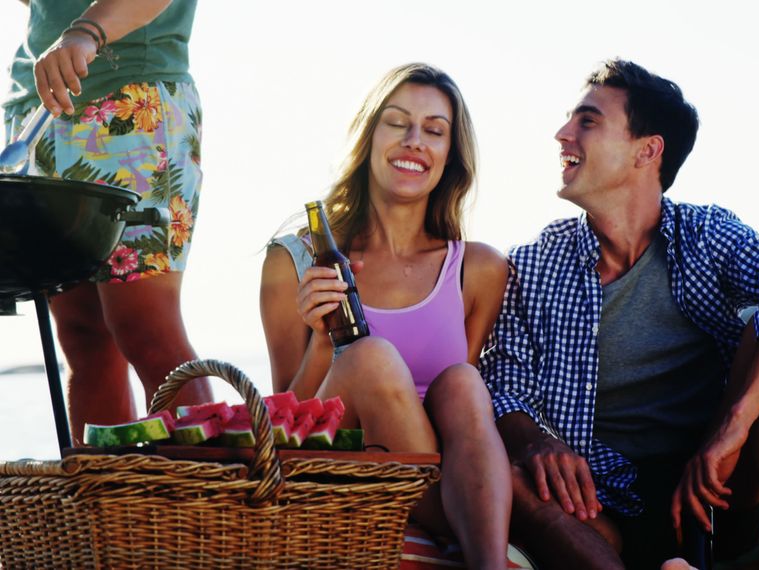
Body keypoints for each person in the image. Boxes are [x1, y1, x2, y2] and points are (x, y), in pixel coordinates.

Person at [480, 58, 759, 570]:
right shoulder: (535, 265)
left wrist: (730, 430)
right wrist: (537, 442)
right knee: (507, 476)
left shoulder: (705, 236)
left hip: (716, 486)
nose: (562, 134)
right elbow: (503, 381)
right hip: (599, 497)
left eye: (587, 121)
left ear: (647, 151)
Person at [259, 63, 512, 570]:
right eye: (397, 122)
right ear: (370, 136)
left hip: (438, 473)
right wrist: (326, 342)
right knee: (370, 358)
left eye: (434, 130)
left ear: (449, 156)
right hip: (336, 472)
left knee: (463, 382)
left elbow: (459, 417)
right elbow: (287, 421)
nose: (414, 140)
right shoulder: (295, 260)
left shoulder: (478, 269)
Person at [2, 0, 211, 442]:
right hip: (36, 109)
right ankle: (106, 502)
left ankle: (206, 501)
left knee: (145, 326)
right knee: (83, 336)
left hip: (131, 98)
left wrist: (88, 30)